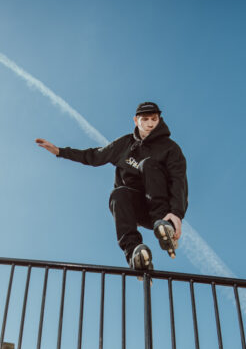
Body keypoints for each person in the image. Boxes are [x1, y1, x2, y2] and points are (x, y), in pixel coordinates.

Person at [35, 101, 188, 271]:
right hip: (137, 207)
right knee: (118, 194)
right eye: (145, 119)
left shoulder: (170, 148)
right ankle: (135, 253)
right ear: (136, 120)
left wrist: (176, 213)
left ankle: (163, 228)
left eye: (154, 119)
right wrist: (60, 152)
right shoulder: (125, 144)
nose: (150, 124)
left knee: (148, 164)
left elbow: (178, 180)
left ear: (160, 119)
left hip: (162, 209)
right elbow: (94, 156)